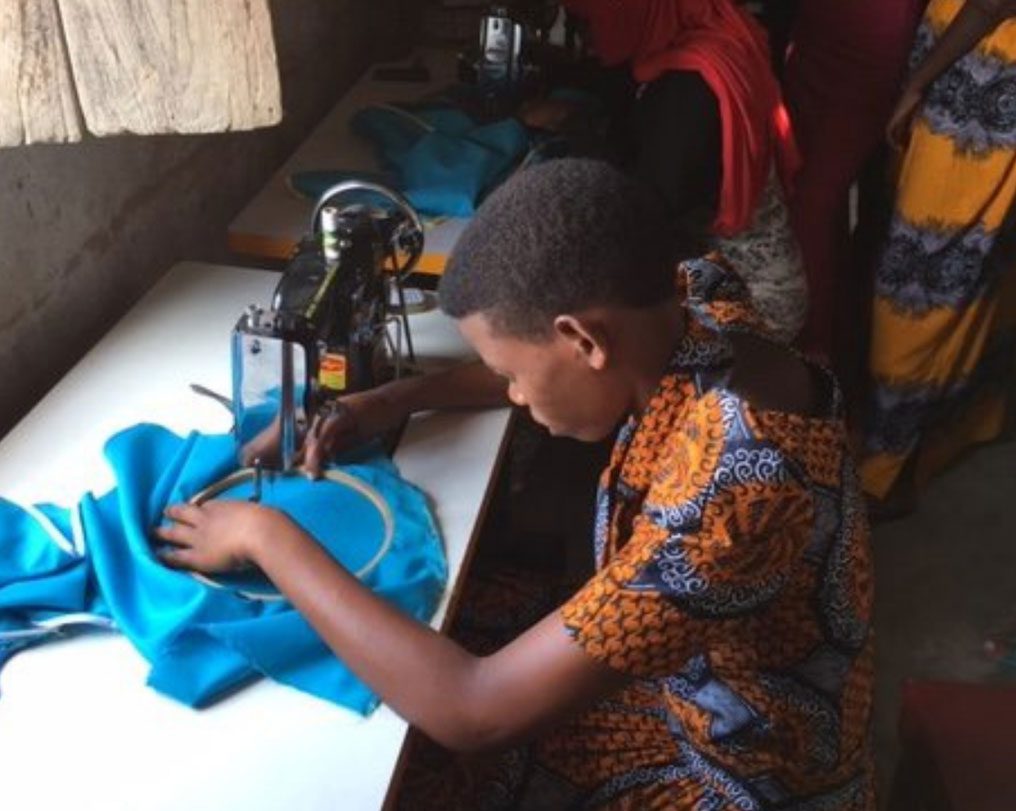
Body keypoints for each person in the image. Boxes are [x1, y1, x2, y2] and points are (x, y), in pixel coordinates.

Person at [157, 159, 874, 808]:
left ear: (584, 340)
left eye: (511, 375)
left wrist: (267, 535)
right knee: (455, 616)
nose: (514, 394)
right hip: (693, 676)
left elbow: (475, 711)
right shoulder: (694, 302)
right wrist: (393, 400)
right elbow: (555, 354)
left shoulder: (733, 498)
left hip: (738, 773)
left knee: (404, 759)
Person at [523, 0, 806, 343]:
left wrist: (572, 125)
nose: (588, 36)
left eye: (591, 21)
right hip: (715, 265)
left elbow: (642, 211)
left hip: (752, 301)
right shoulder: (694, 43)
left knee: (558, 312)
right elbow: (616, 84)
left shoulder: (694, 85)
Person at [861, 0, 1016, 514]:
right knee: (967, 269)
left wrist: (918, 81)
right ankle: (941, 428)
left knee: (920, 280)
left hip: (980, 93)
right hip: (972, 76)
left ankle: (887, 466)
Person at [782, 0, 927, 380]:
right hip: (819, 28)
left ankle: (817, 356)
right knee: (809, 198)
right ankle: (838, 339)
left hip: (872, 43)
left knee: (811, 207)